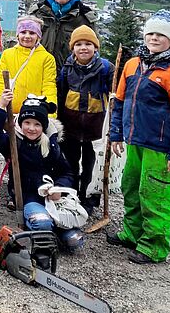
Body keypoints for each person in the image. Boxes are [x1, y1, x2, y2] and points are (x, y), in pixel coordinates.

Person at [108, 10, 170, 264]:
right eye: (151, 33)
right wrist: (116, 134)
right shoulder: (132, 65)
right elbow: (119, 102)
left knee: (155, 194)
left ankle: (154, 245)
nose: (154, 38)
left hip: (159, 147)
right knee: (131, 187)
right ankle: (132, 233)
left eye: (161, 35)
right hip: (134, 141)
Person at [0, 91, 84, 251]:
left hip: (52, 200)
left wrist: (59, 188)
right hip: (29, 198)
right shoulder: (14, 143)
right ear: (21, 123)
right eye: (27, 123)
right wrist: (1, 106)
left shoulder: (51, 146)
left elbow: (67, 172)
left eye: (37, 124)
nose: (31, 128)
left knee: (75, 240)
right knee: (42, 223)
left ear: (43, 126)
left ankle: (53, 233)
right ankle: (44, 230)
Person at [57, 25, 114, 213]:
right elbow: (61, 94)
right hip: (71, 126)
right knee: (70, 163)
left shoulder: (106, 68)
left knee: (92, 165)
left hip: (95, 127)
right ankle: (71, 194)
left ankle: (88, 198)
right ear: (72, 48)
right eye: (79, 44)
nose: (83, 48)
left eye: (88, 44)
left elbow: (116, 94)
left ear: (96, 47)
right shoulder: (67, 68)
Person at [27, 0, 98, 71]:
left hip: (71, 76)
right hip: (37, 73)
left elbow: (94, 54)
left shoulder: (85, 18)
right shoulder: (37, 14)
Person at [0, 16, 57, 112]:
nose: (27, 36)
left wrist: (49, 113)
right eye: (23, 32)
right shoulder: (7, 54)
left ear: (38, 36)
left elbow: (49, 86)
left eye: (32, 33)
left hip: (34, 112)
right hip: (9, 111)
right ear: (18, 35)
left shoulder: (47, 58)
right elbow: (0, 83)